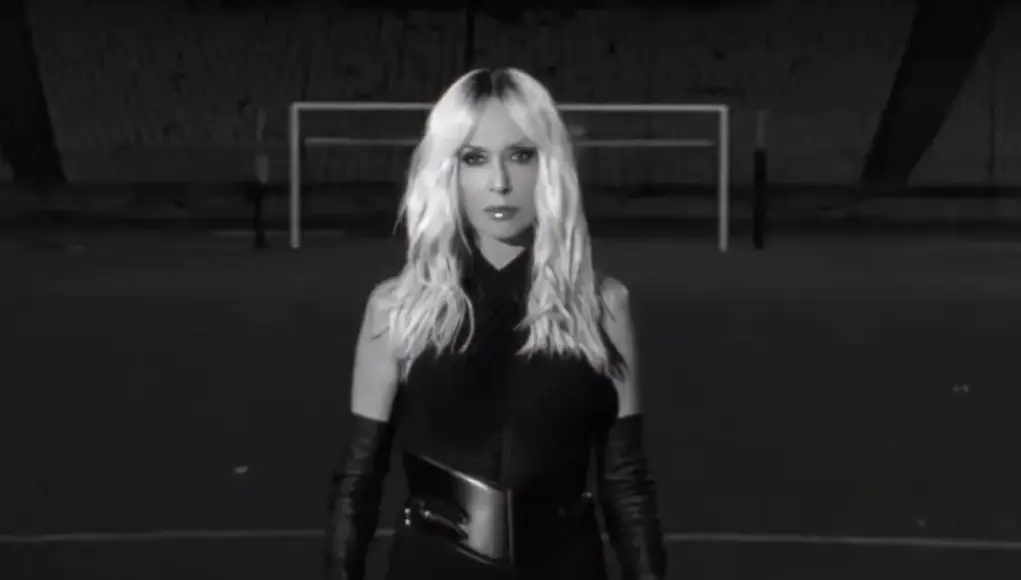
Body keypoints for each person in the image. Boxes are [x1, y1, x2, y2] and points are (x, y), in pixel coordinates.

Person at [326, 67, 667, 580]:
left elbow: (626, 485)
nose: (500, 182)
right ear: (447, 171)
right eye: (475, 158)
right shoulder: (396, 309)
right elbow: (358, 484)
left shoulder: (603, 307)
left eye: (521, 155)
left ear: (550, 166)